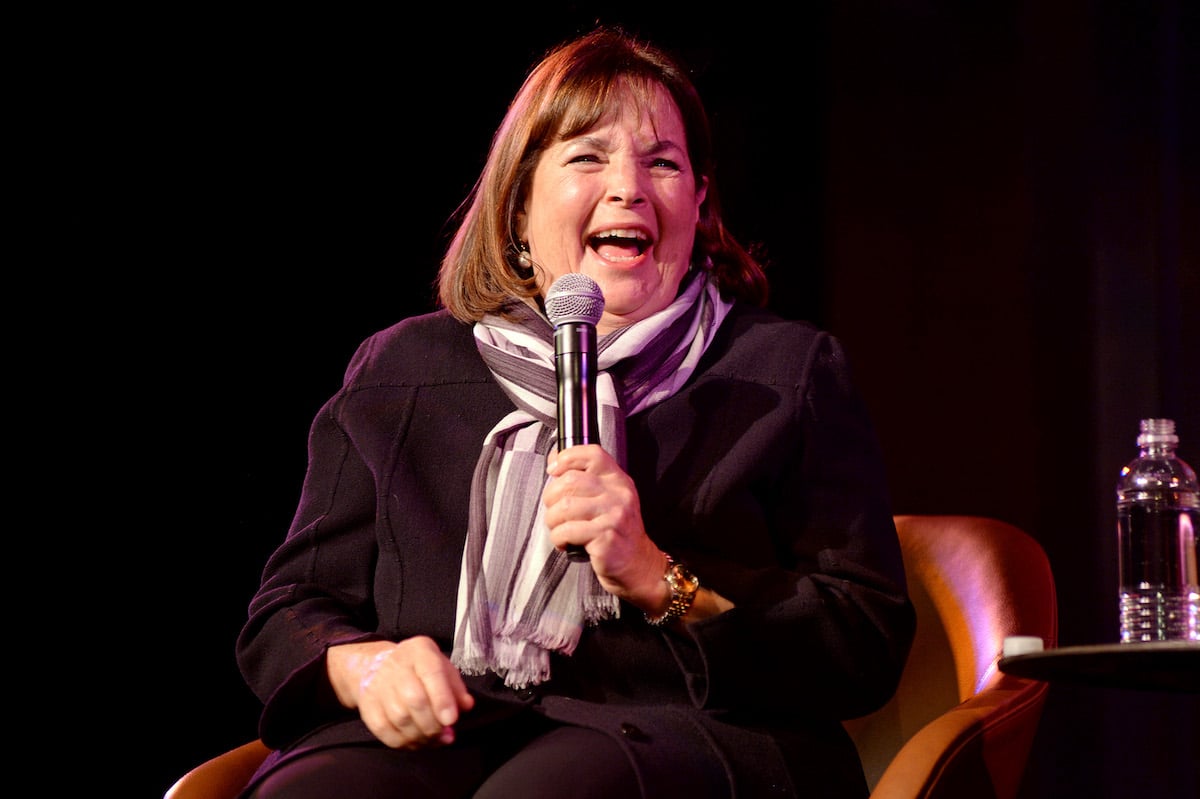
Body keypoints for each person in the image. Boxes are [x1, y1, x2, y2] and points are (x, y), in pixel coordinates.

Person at [234, 25, 916, 799]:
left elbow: (864, 642)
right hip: (448, 733)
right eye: (588, 156)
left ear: (697, 205)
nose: (628, 186)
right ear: (519, 203)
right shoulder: (404, 372)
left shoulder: (785, 372)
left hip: (688, 733)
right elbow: (288, 611)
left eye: (662, 162)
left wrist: (661, 576)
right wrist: (368, 666)